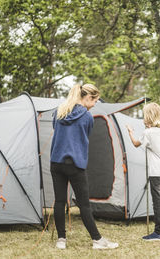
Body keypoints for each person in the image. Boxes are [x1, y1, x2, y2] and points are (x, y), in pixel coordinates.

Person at [50, 83, 118, 250]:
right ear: (88, 97)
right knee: (84, 204)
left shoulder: (58, 112)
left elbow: (56, 129)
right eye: (95, 101)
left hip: (56, 163)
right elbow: (84, 136)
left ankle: (61, 240)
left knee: (59, 201)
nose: (95, 104)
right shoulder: (87, 117)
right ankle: (97, 240)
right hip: (75, 164)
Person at [126, 102, 160, 241]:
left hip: (156, 171)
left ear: (148, 117)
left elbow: (136, 144)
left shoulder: (147, 133)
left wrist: (131, 133)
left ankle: (158, 232)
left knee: (157, 201)